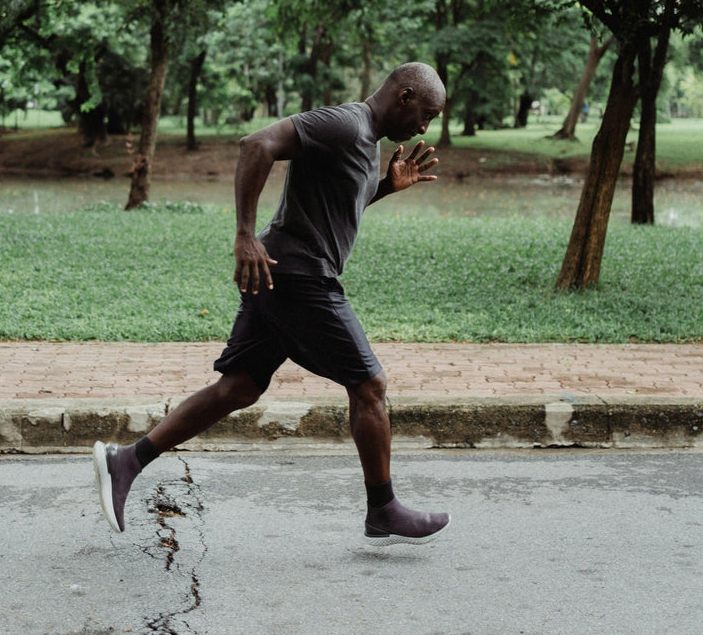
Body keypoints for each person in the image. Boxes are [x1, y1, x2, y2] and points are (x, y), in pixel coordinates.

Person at [93, 62, 451, 546]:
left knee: (238, 388)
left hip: (284, 273)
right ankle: (382, 508)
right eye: (425, 114)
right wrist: (243, 234)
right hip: (299, 276)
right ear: (404, 95)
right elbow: (255, 144)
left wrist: (385, 186)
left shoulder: (367, 142)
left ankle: (127, 460)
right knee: (370, 386)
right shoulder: (346, 123)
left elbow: (332, 206)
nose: (425, 128)